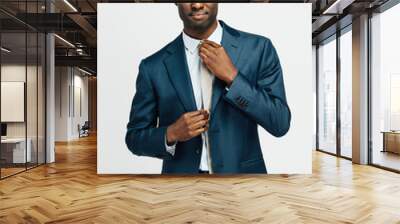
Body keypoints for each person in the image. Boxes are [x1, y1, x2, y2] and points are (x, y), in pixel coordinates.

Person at [125, 3, 291, 174]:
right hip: (180, 188)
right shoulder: (153, 66)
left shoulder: (259, 49)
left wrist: (233, 78)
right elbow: (134, 138)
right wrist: (171, 133)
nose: (197, 4)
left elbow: (280, 123)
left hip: (242, 184)